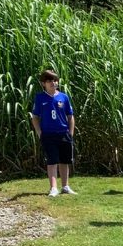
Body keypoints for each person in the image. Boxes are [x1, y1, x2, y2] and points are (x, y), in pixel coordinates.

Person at [30, 70, 77, 198]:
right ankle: (53, 187)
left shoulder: (63, 97)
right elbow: (35, 117)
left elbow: (70, 116)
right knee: (52, 161)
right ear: (43, 83)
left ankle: (65, 186)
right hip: (48, 134)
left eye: (55, 80)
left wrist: (70, 133)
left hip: (63, 133)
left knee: (64, 160)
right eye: (49, 81)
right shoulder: (40, 98)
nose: (53, 83)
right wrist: (40, 132)